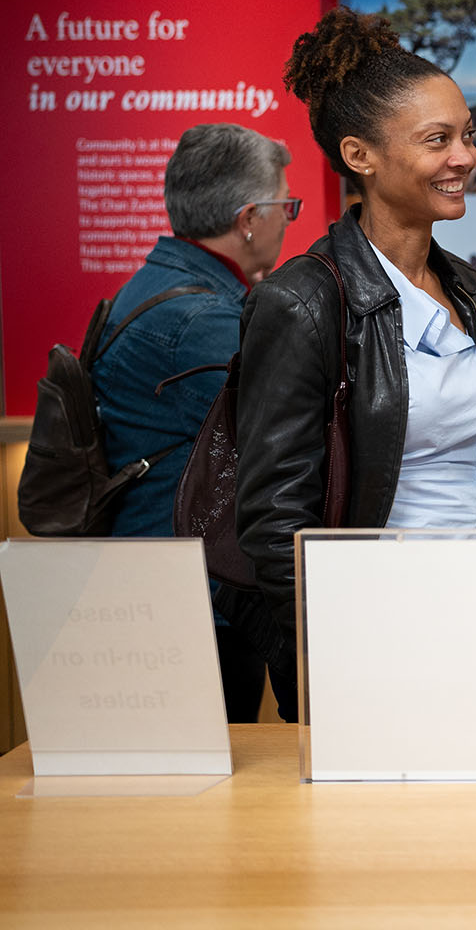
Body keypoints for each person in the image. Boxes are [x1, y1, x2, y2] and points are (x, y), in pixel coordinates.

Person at [236, 7, 476, 722]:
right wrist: (351, 656)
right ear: (360, 156)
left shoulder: (465, 284)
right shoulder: (304, 301)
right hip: (375, 639)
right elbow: (275, 522)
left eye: (466, 135)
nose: (464, 157)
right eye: (437, 140)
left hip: (475, 620)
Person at [92, 122, 295, 721]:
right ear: (249, 218)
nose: (288, 221)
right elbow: (281, 435)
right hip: (193, 599)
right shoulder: (200, 323)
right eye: (286, 207)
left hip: (160, 582)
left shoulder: (165, 287)